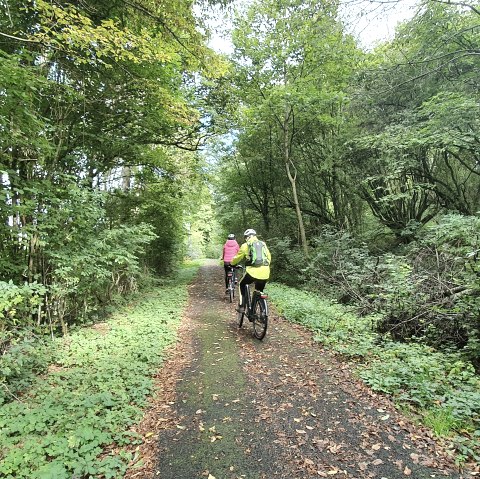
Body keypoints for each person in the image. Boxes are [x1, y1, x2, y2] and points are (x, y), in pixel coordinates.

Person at [231, 228, 271, 314]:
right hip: (265, 272)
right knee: (259, 291)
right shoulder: (263, 244)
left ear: (247, 237)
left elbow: (237, 258)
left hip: (252, 272)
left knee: (242, 283)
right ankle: (262, 312)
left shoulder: (245, 245)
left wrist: (232, 263)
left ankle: (241, 306)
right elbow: (269, 257)